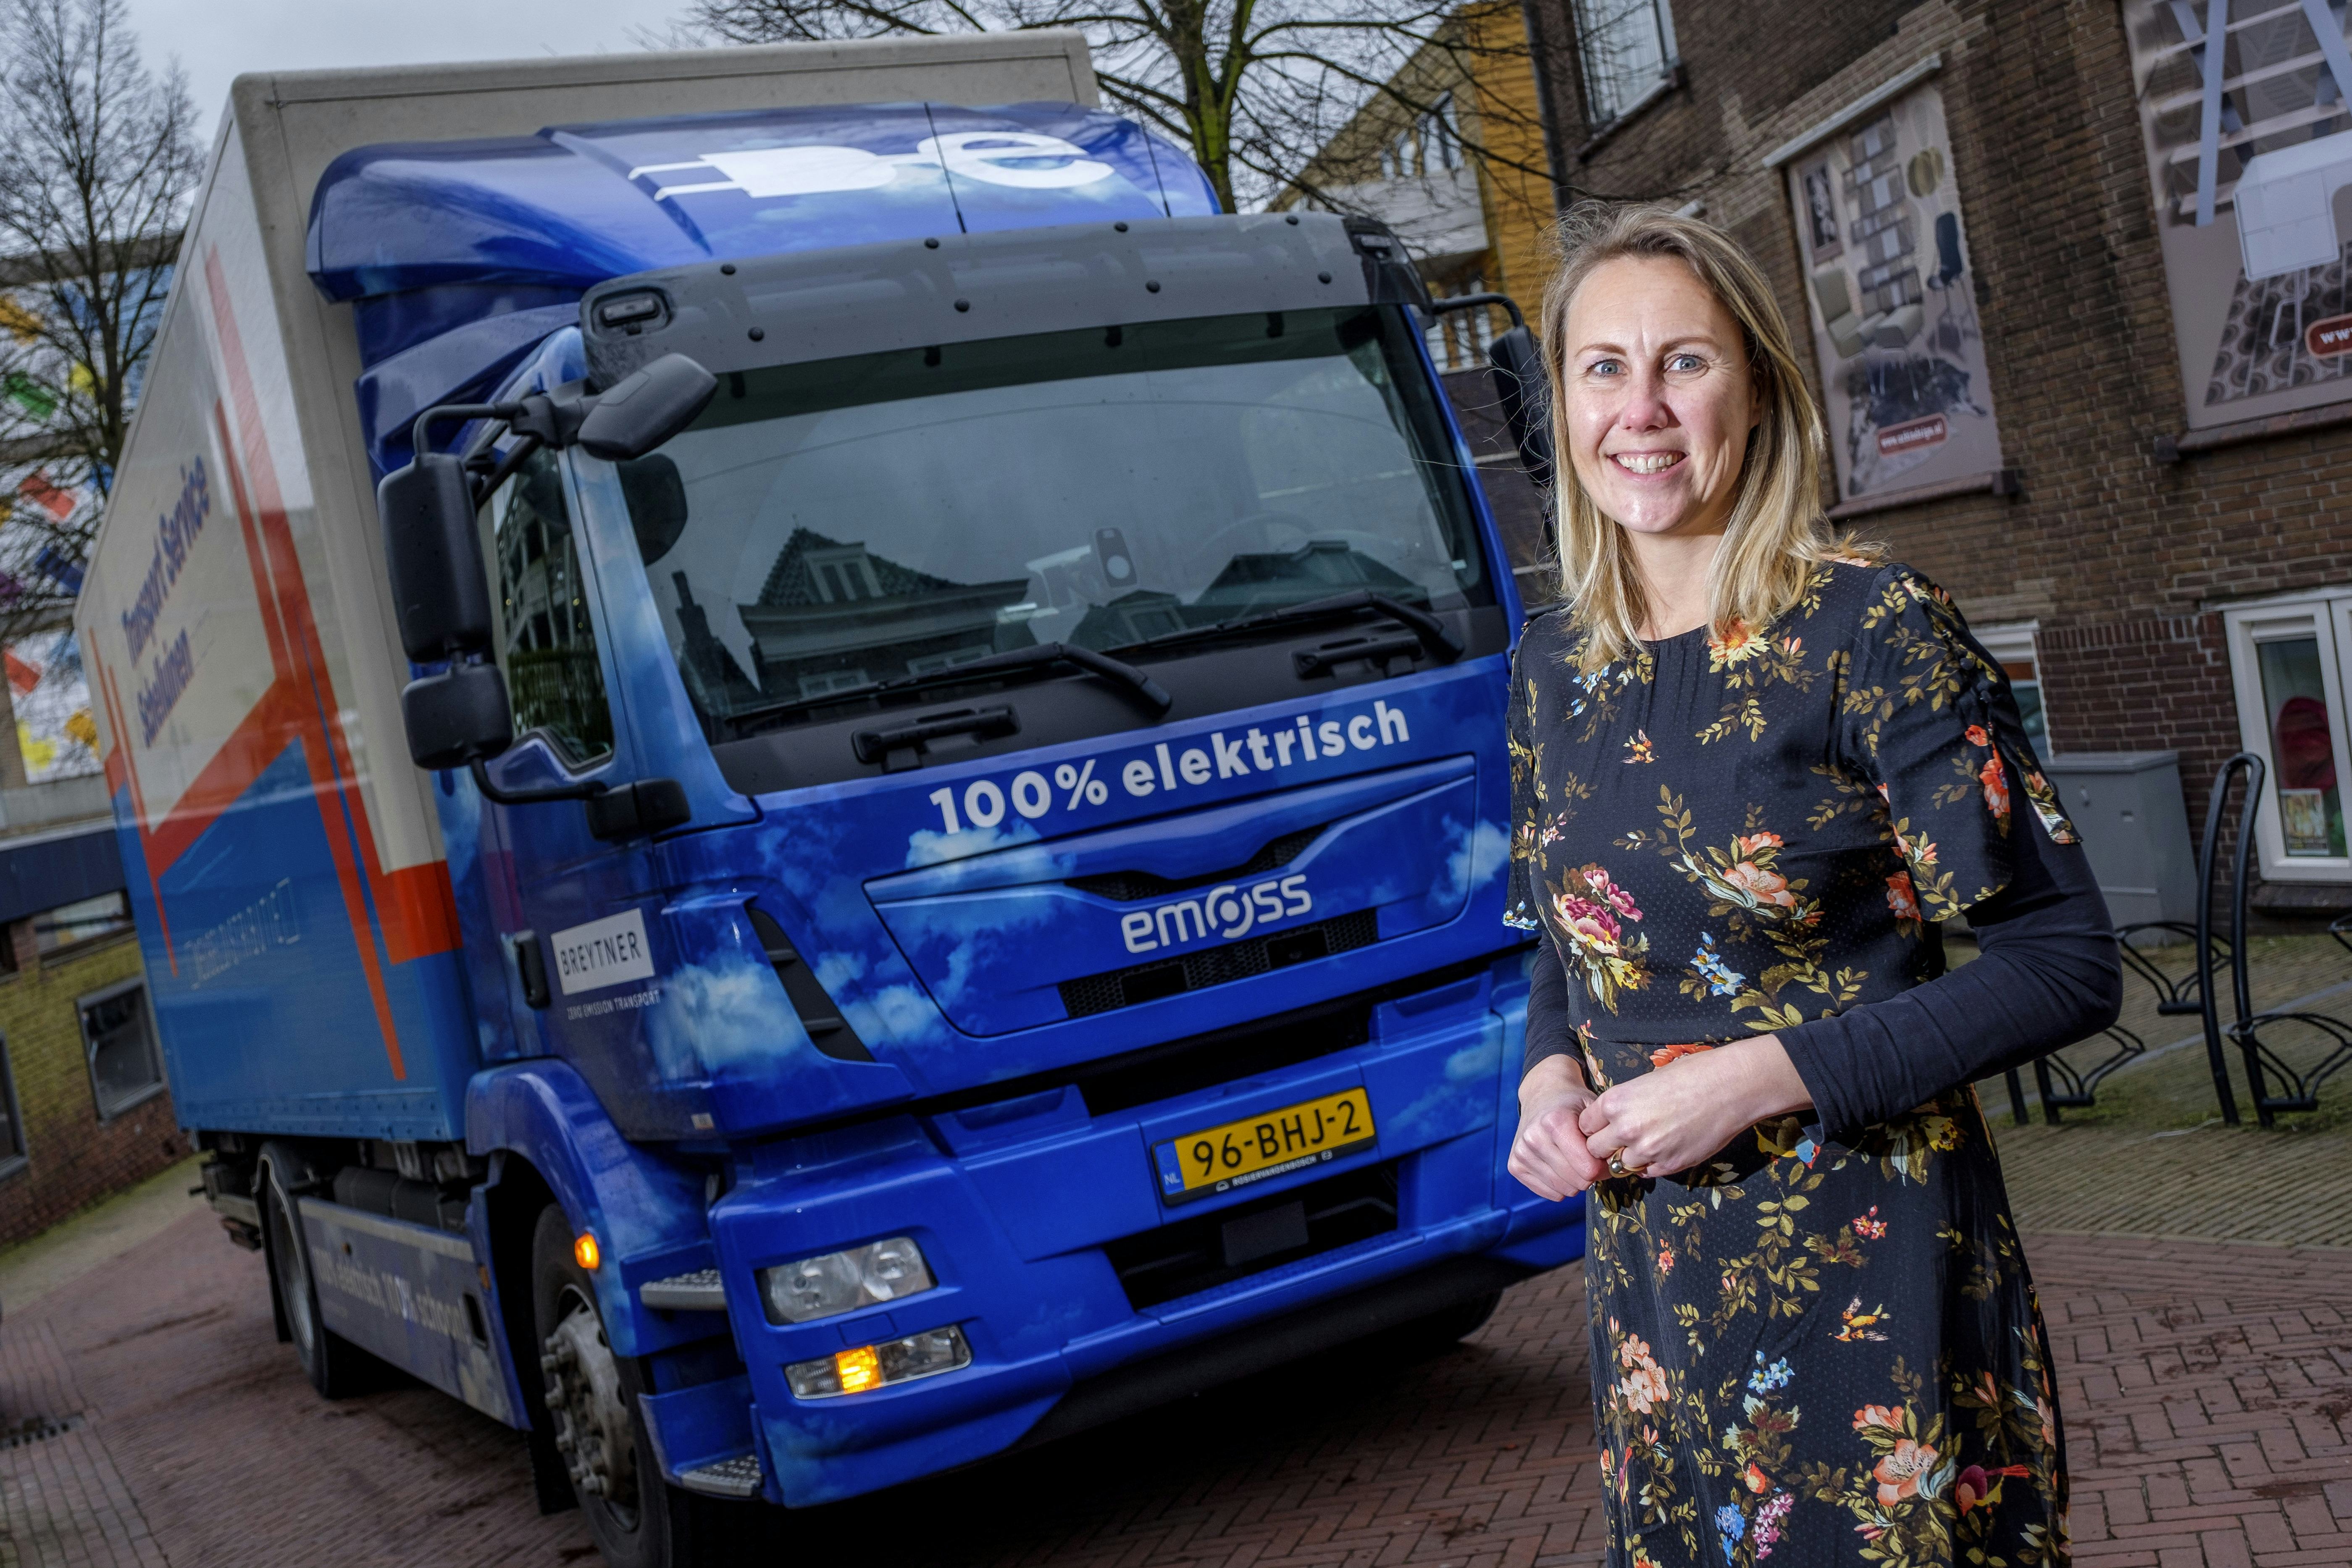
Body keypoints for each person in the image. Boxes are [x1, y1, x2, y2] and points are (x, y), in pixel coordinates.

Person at [1503, 204, 2120, 1568]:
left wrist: (1756, 1077)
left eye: (1686, 363)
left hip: (1868, 1273)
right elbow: (1568, 940)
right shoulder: (1554, 663)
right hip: (1657, 1294)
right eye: (1603, 367)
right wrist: (1552, 1081)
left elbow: (2067, 962)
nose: (1642, 409)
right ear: (1561, 405)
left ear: (1761, 389)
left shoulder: (1871, 630)